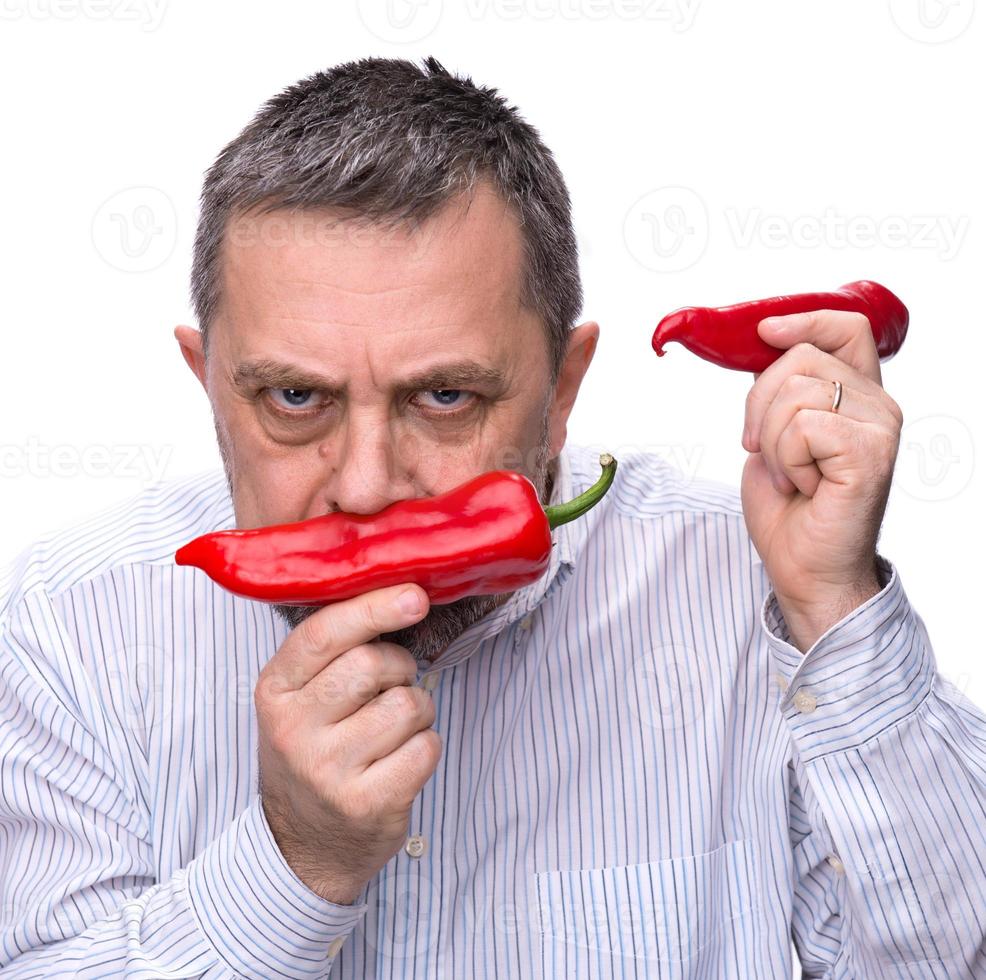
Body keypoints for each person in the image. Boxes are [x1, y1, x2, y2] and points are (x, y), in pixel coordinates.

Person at [2, 55, 984, 980]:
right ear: (207, 381)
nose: (366, 487)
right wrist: (293, 862)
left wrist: (834, 605)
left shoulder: (744, 599)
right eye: (294, 398)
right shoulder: (72, 629)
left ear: (562, 390)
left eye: (445, 398)